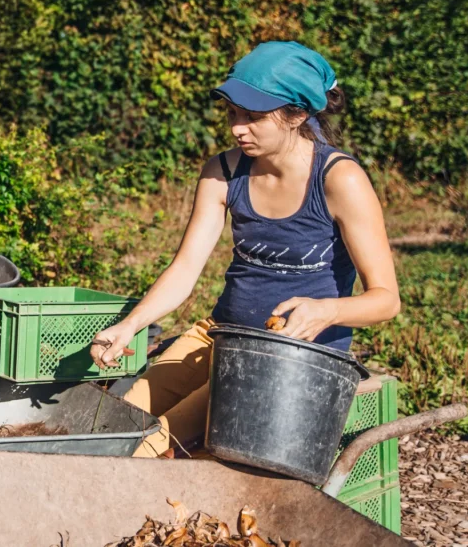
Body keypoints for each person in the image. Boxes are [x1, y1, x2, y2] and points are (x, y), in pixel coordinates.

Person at [91, 42, 401, 457]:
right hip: (217, 336)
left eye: (254, 117)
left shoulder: (339, 179)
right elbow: (185, 269)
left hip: (286, 362)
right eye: (233, 114)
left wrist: (327, 309)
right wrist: (130, 325)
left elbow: (386, 301)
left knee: (145, 450)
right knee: (107, 426)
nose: (238, 128)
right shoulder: (223, 171)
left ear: (298, 114)